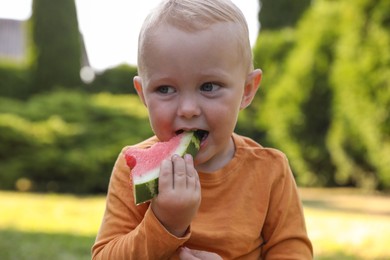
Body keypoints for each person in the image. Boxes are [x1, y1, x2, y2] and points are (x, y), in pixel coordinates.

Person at [92, 0, 313, 259]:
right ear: (143, 94)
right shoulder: (132, 168)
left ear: (247, 91)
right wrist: (165, 222)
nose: (187, 109)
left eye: (209, 86)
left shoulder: (271, 171)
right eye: (165, 89)